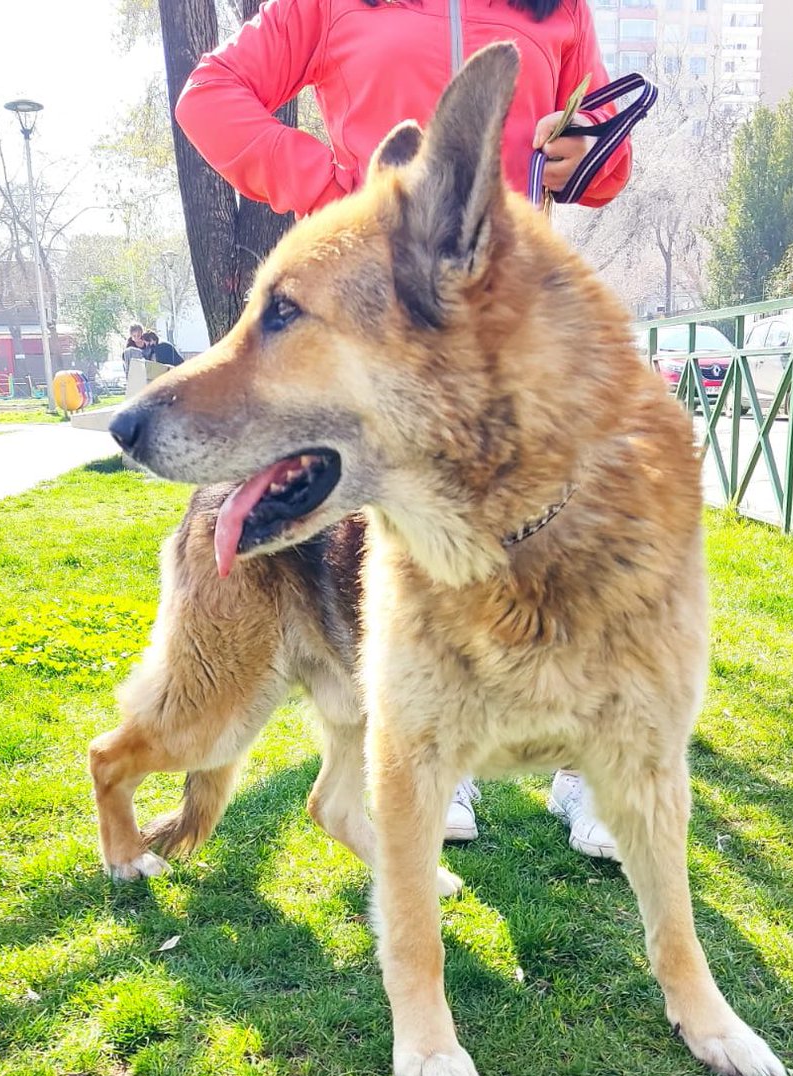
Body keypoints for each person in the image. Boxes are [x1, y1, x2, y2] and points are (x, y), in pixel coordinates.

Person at [175, 0, 627, 858]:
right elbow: (212, 94)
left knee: (563, 521)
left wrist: (585, 157)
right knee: (421, 518)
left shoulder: (556, 6)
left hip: (507, 307)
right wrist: (334, 189)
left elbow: (601, 162)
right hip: (376, 307)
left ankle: (585, 763)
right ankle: (441, 735)